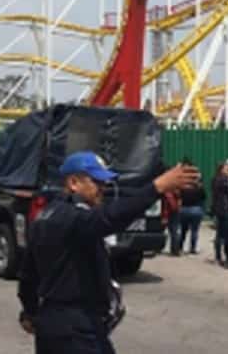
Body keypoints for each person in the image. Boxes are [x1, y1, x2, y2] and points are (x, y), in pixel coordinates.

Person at [17, 151, 199, 353]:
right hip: (77, 327)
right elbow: (111, 217)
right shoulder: (73, 218)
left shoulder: (45, 216)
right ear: (73, 182)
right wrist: (157, 187)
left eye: (104, 183)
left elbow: (28, 277)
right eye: (96, 182)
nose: (102, 189)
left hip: (52, 324)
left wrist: (31, 313)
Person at [211, 160, 228, 266]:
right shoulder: (224, 179)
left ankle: (218, 256)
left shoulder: (215, 179)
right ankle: (227, 256)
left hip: (219, 209)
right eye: (227, 168)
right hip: (226, 209)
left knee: (219, 234)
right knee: (227, 234)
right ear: (222, 169)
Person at [179, 171, 207, 254]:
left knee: (183, 230)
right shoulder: (199, 188)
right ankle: (192, 248)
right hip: (196, 210)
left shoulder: (184, 187)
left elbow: (180, 197)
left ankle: (180, 247)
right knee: (194, 231)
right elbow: (203, 197)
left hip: (184, 209)